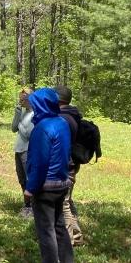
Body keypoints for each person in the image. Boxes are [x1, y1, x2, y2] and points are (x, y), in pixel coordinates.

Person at [22, 88, 75, 263]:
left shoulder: (42, 128)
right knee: (59, 226)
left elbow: (40, 163)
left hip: (46, 186)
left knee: (46, 230)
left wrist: (30, 189)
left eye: (35, 104)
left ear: (42, 105)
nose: (33, 107)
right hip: (62, 183)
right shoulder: (61, 123)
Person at [54, 85, 84, 246]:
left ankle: (69, 240)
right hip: (71, 163)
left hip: (64, 166)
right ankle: (77, 236)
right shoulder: (72, 115)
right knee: (67, 200)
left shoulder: (63, 119)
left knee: (63, 203)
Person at [12, 88, 35, 218]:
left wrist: (20, 121)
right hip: (18, 149)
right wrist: (17, 115)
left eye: (23, 99)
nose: (21, 102)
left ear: (30, 99)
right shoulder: (22, 112)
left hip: (28, 150)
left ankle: (32, 207)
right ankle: (26, 205)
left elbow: (28, 134)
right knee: (22, 179)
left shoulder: (34, 114)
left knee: (29, 178)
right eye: (20, 99)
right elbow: (13, 129)